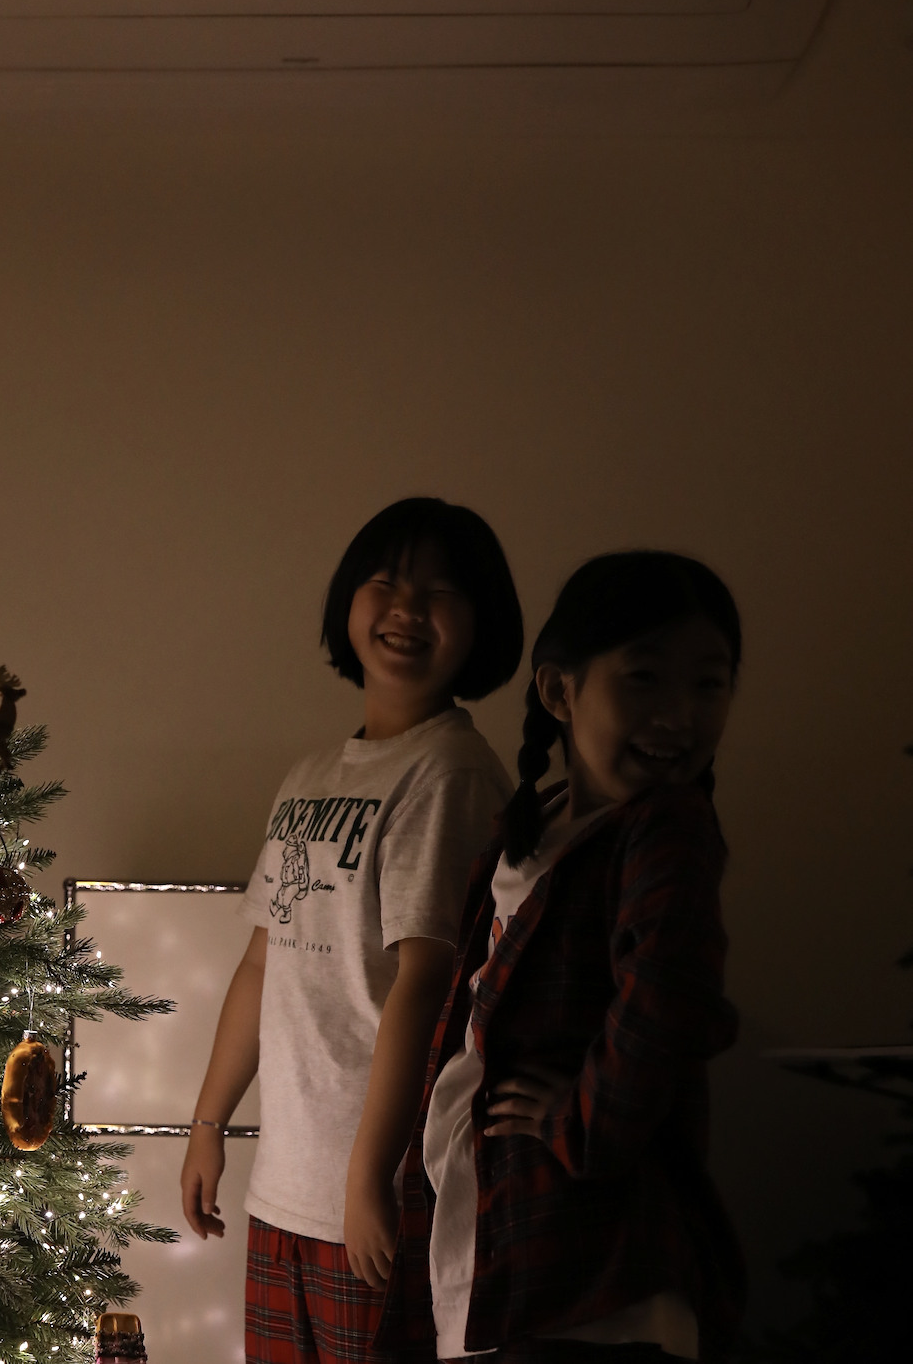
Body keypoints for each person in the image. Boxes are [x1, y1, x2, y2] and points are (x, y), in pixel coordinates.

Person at [180, 497, 525, 1364]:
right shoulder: (312, 775)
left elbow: (427, 981)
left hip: (374, 1196)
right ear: (349, 601)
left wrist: (374, 1178)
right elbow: (262, 962)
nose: (408, 608)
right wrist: (209, 1122)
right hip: (286, 1192)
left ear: (480, 623)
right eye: (387, 582)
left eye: (440, 591)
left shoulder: (450, 773)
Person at [380, 551, 747, 1364]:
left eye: (708, 684)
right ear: (558, 691)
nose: (678, 715)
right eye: (644, 678)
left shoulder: (667, 829)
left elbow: (668, 998)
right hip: (497, 1250)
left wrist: (579, 1123)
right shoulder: (536, 828)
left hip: (589, 1275)